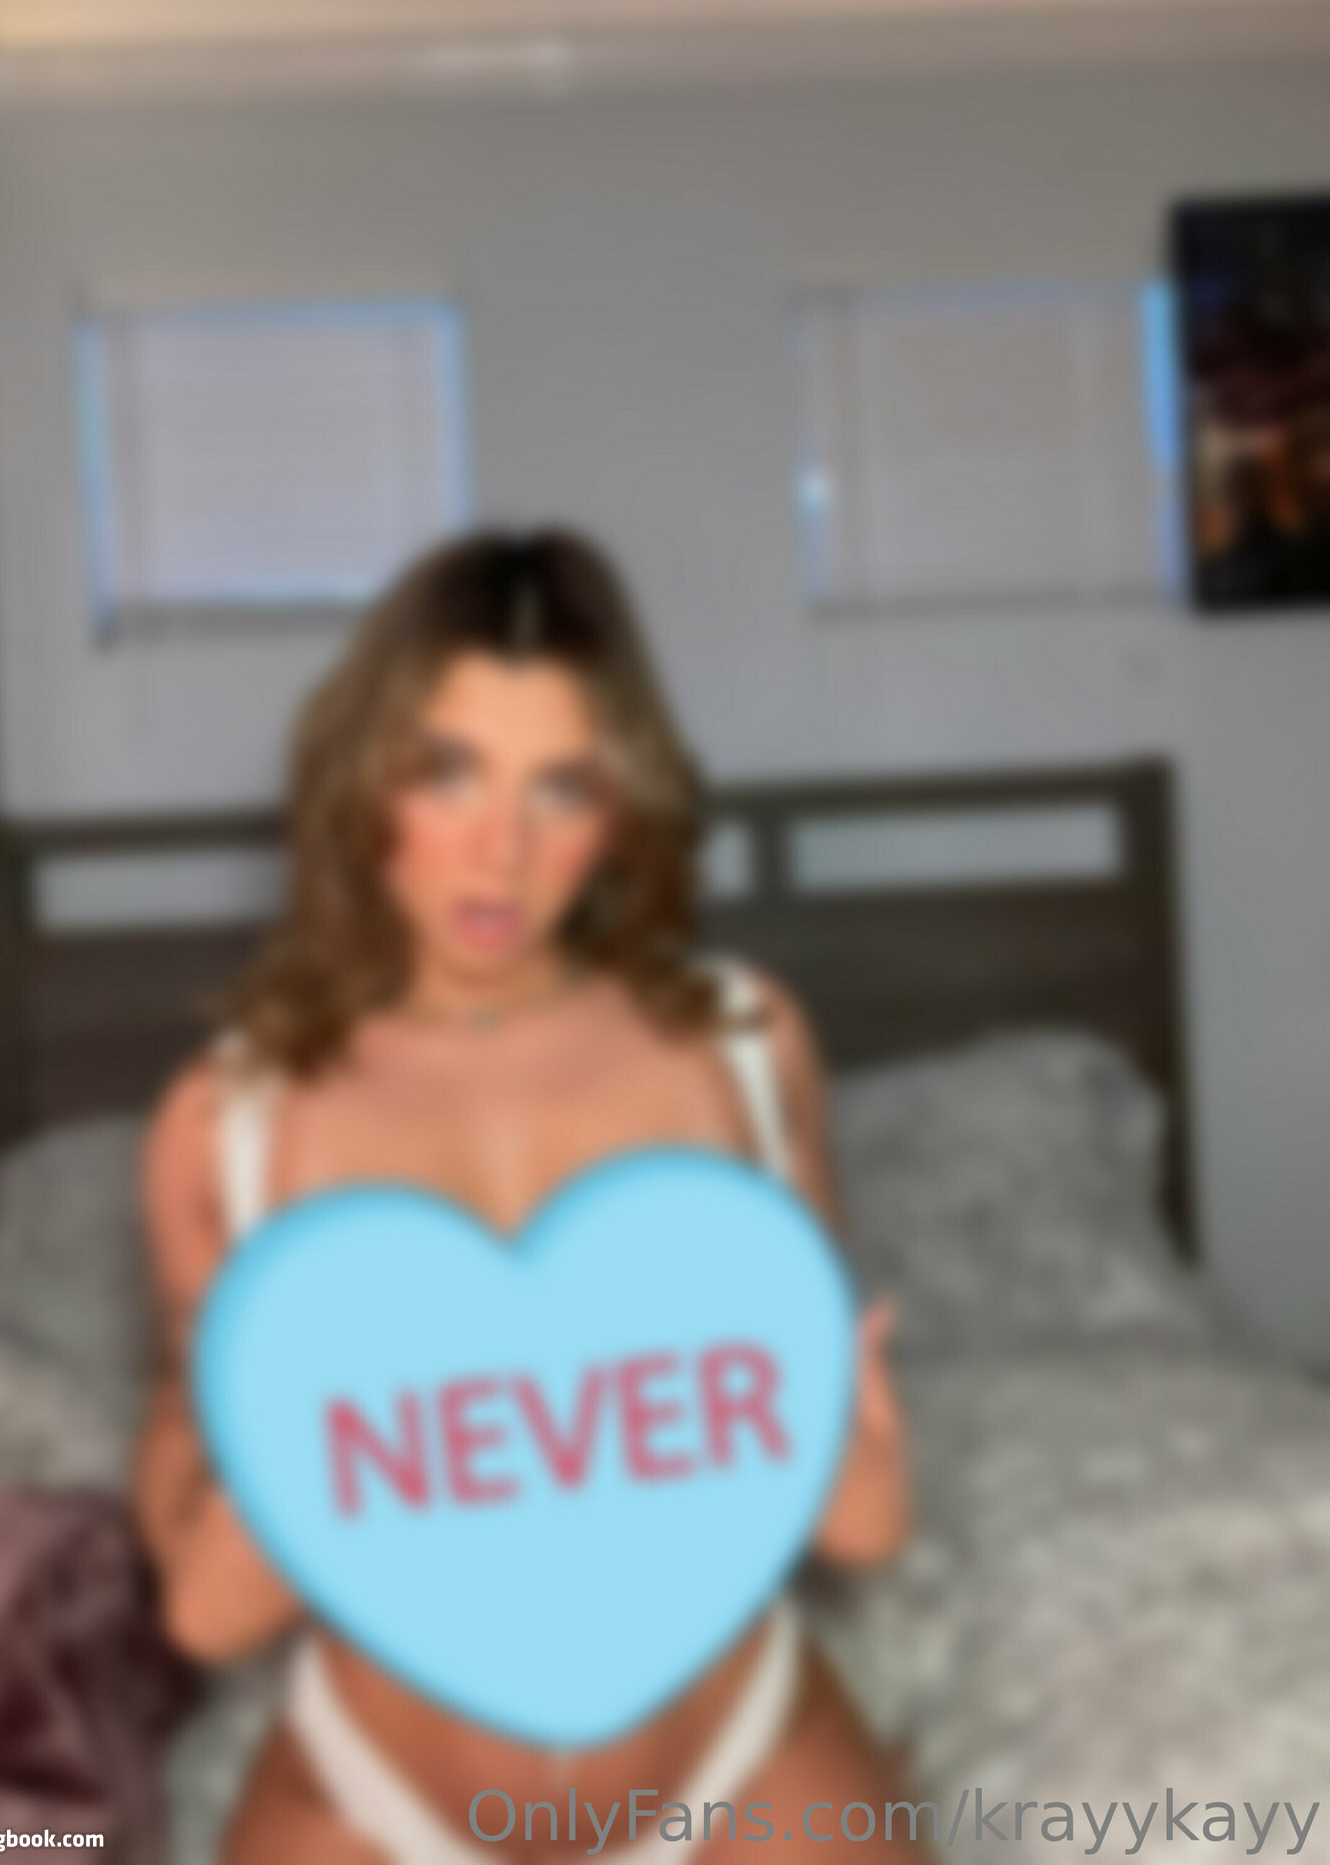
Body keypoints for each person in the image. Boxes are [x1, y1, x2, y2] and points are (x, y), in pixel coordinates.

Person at [132, 527, 931, 1862]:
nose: (499, 849)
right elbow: (188, 1451)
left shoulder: (745, 1047)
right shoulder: (227, 1122)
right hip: (379, 1799)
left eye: (564, 788)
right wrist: (202, 1533)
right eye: (446, 772)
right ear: (361, 777)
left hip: (739, 1756)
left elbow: (806, 1429)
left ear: (625, 811)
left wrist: (864, 1461)